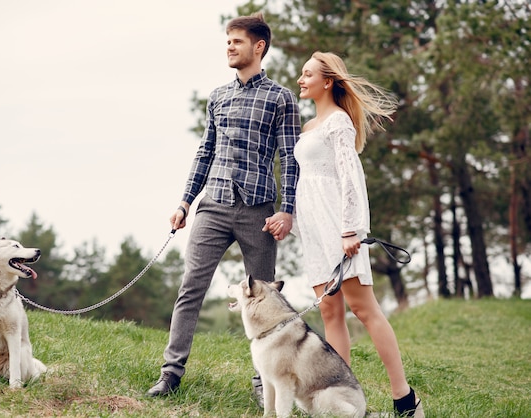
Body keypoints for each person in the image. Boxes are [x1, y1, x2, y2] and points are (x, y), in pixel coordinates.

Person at [146, 12, 300, 406]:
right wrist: (185, 201)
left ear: (259, 47)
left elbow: (291, 157)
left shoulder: (280, 98)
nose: (229, 47)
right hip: (212, 206)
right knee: (190, 288)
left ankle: (263, 383)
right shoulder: (217, 97)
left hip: (259, 212)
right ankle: (171, 374)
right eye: (227, 41)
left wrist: (288, 210)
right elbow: (205, 152)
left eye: (237, 41)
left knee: (267, 300)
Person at [269, 51, 423, 416]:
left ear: (327, 82)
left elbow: (351, 177)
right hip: (314, 228)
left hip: (338, 224)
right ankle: (343, 400)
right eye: (301, 74)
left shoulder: (338, 122)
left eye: (307, 75)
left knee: (363, 308)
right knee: (330, 312)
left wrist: (351, 229)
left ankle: (405, 398)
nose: (301, 80)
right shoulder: (308, 128)